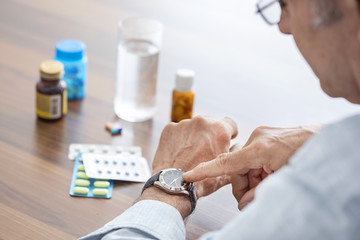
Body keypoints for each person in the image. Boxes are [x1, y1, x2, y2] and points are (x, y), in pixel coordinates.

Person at [81, 0, 360, 239]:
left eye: (286, 3)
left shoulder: (329, 188)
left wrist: (165, 192)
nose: (284, 26)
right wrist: (321, 141)